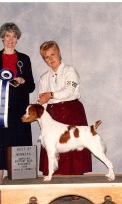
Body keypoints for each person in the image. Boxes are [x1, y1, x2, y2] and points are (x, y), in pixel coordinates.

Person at [0, 22, 35, 182]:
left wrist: (22, 80)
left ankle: (19, 190)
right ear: (2, 38)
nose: (10, 39)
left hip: (19, 113)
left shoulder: (24, 59)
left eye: (14, 36)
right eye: (7, 36)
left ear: (17, 39)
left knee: (18, 149)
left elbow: (31, 87)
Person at [37, 41, 92, 190]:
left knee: (74, 149)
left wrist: (51, 94)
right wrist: (43, 125)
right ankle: (56, 186)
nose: (50, 59)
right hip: (52, 115)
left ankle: (76, 189)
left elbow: (69, 91)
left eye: (53, 54)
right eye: (46, 57)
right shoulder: (43, 78)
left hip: (72, 112)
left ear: (59, 53)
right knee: (52, 148)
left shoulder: (70, 71)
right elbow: (42, 104)